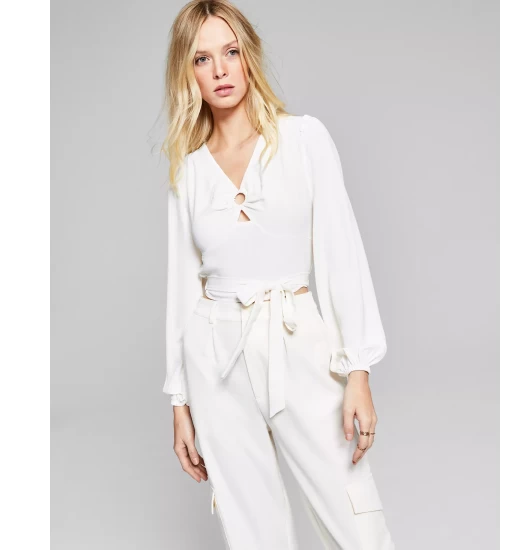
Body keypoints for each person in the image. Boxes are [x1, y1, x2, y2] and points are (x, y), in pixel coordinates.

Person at [161, 1, 395, 548]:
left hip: (297, 339)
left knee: (354, 512)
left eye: (230, 52)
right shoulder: (188, 170)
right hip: (214, 357)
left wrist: (358, 371)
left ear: (249, 56)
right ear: (187, 72)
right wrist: (179, 401)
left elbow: (341, 252)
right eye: (202, 59)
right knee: (253, 528)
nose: (220, 70)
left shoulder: (304, 139)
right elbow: (181, 288)